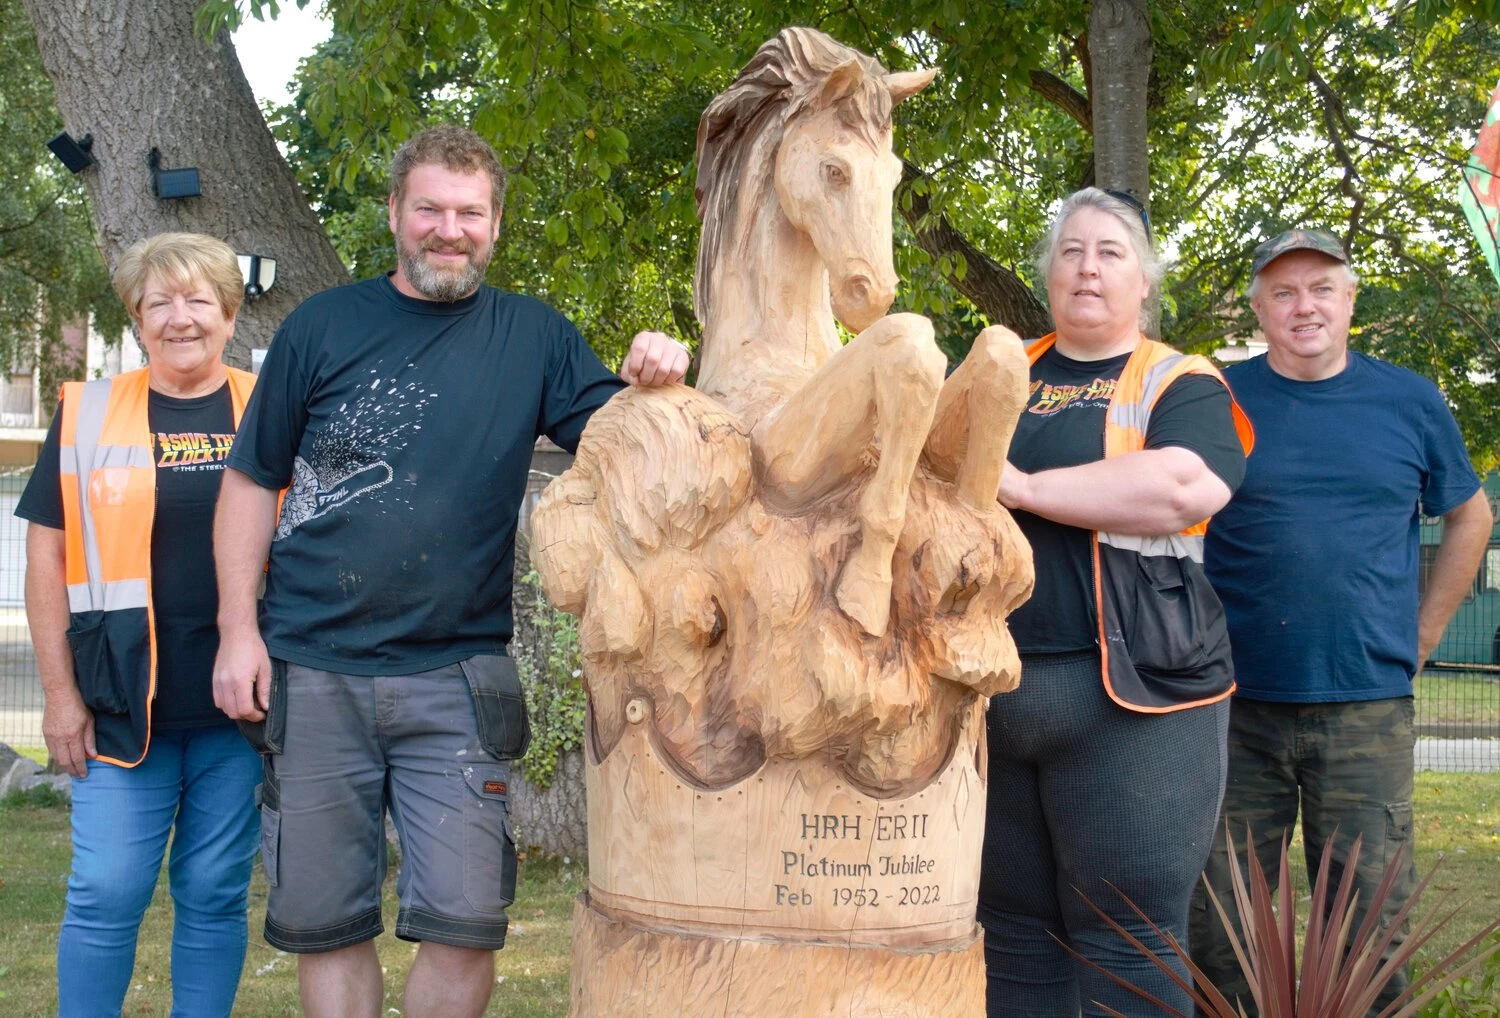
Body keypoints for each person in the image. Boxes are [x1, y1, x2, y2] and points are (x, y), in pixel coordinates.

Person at [211, 124, 689, 1018]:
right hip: (313, 671)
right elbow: (249, 482)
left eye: (469, 213)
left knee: (466, 923)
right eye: (428, 208)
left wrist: (657, 374)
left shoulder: (536, 338)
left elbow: (631, 446)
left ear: (496, 225)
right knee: (328, 925)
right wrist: (239, 630)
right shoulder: (323, 326)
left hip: (457, 678)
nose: (448, 229)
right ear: (394, 213)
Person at [1190, 229, 1489, 1014]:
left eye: (1322, 288)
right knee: (1220, 928)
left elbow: (1470, 518)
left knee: (1368, 930)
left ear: (1351, 301)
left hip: (1366, 709)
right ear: (1258, 307)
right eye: (1283, 292)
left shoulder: (1411, 401)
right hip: (1231, 706)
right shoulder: (1214, 397)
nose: (1304, 307)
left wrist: (1422, 638)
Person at [982, 187, 1253, 1017]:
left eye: (1110, 253)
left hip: (1138, 701)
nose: (1087, 268)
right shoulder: (997, 372)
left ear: (1144, 283)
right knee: (1011, 937)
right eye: (1070, 252)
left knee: (1128, 942)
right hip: (993, 694)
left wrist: (1022, 486)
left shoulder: (1182, 381)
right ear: (1048, 278)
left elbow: (1180, 485)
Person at [17, 232, 262, 1017]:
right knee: (106, 890)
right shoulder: (87, 413)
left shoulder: (271, 408)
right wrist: (60, 697)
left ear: (229, 316)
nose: (180, 317)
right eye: (160, 302)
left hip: (240, 711)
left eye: (198, 300)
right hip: (120, 708)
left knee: (214, 892)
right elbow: (46, 564)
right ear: (135, 316)